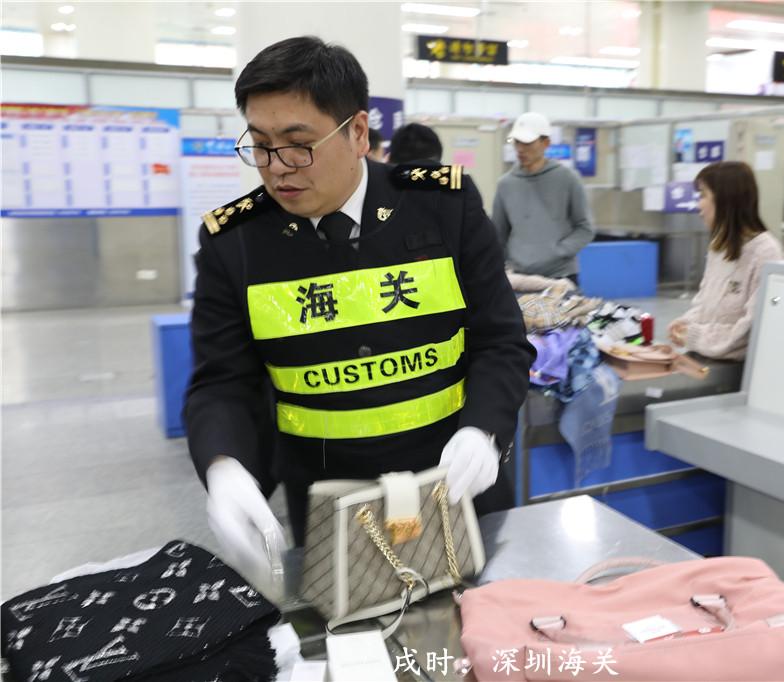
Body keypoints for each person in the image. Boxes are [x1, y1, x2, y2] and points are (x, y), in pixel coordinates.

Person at [185, 36, 534, 582]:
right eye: (260, 145)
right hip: (330, 503)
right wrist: (225, 465)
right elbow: (222, 381)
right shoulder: (236, 241)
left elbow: (501, 340)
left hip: (456, 482)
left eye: (299, 144)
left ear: (358, 133)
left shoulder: (442, 207)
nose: (277, 168)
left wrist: (484, 430)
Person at [667, 161, 783, 360]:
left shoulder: (766, 253)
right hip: (705, 357)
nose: (699, 205)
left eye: (703, 195)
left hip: (738, 368)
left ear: (725, 200)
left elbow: (749, 330)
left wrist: (694, 335)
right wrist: (685, 323)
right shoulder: (719, 247)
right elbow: (704, 304)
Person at [492, 111, 595, 282]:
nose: (520, 149)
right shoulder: (506, 184)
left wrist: (558, 251)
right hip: (519, 276)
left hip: (561, 276)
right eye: (517, 142)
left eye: (527, 143)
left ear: (546, 143)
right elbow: (498, 234)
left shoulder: (567, 178)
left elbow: (585, 228)